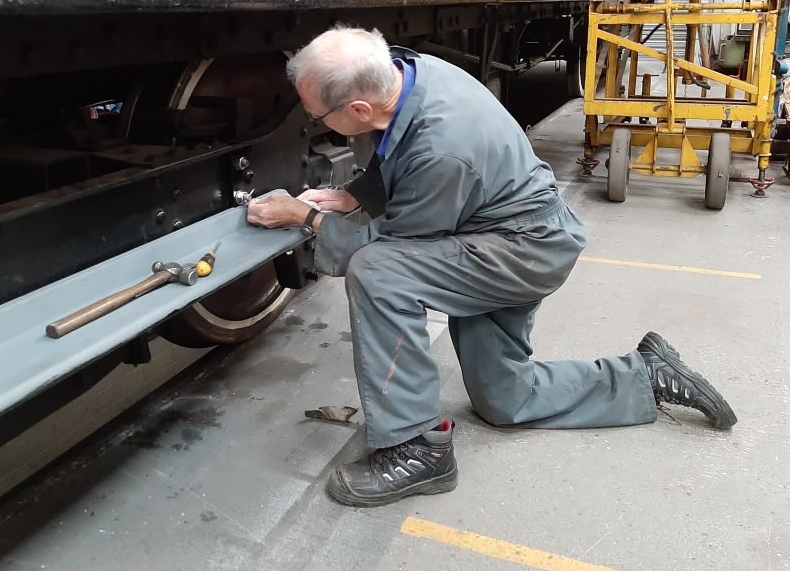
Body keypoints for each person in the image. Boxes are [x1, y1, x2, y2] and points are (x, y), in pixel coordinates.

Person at [246, 26, 737, 508]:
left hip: (519, 252)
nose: (315, 123)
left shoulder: (445, 147)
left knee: (378, 272)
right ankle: (645, 375)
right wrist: (358, 191)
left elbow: (391, 244)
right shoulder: (412, 73)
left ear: (358, 109)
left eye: (318, 117)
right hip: (497, 230)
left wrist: (306, 217)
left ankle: (414, 448)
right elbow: (400, 148)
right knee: (504, 399)